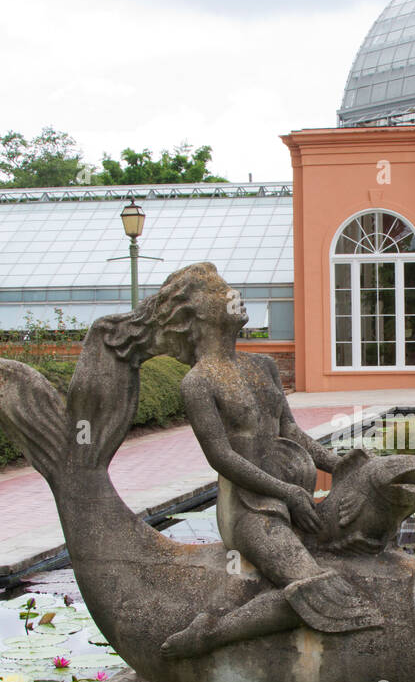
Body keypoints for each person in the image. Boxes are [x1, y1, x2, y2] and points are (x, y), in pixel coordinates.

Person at [101, 263, 380, 656]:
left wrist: (339, 464)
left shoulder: (261, 365)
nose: (233, 293)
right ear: (194, 312)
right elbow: (222, 457)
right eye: (220, 290)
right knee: (313, 585)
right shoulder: (199, 382)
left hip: (295, 496)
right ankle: (210, 635)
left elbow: (292, 432)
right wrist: (286, 492)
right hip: (250, 509)